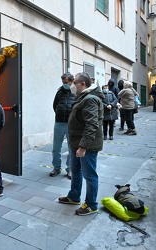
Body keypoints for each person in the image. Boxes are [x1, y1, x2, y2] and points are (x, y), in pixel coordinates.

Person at [58, 72, 104, 216]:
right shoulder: (82, 97)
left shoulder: (90, 99)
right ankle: (74, 196)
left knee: (89, 175)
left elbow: (91, 125)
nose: (71, 85)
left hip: (86, 145)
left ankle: (91, 205)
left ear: (82, 84)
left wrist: (83, 147)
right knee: (76, 170)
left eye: (74, 82)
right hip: (76, 143)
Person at [50, 73, 75, 179]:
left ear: (71, 81)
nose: (64, 84)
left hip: (71, 124)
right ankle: (56, 168)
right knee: (56, 147)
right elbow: (55, 105)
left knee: (71, 148)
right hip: (59, 122)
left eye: (66, 82)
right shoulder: (59, 92)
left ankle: (69, 169)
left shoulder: (76, 92)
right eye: (63, 82)